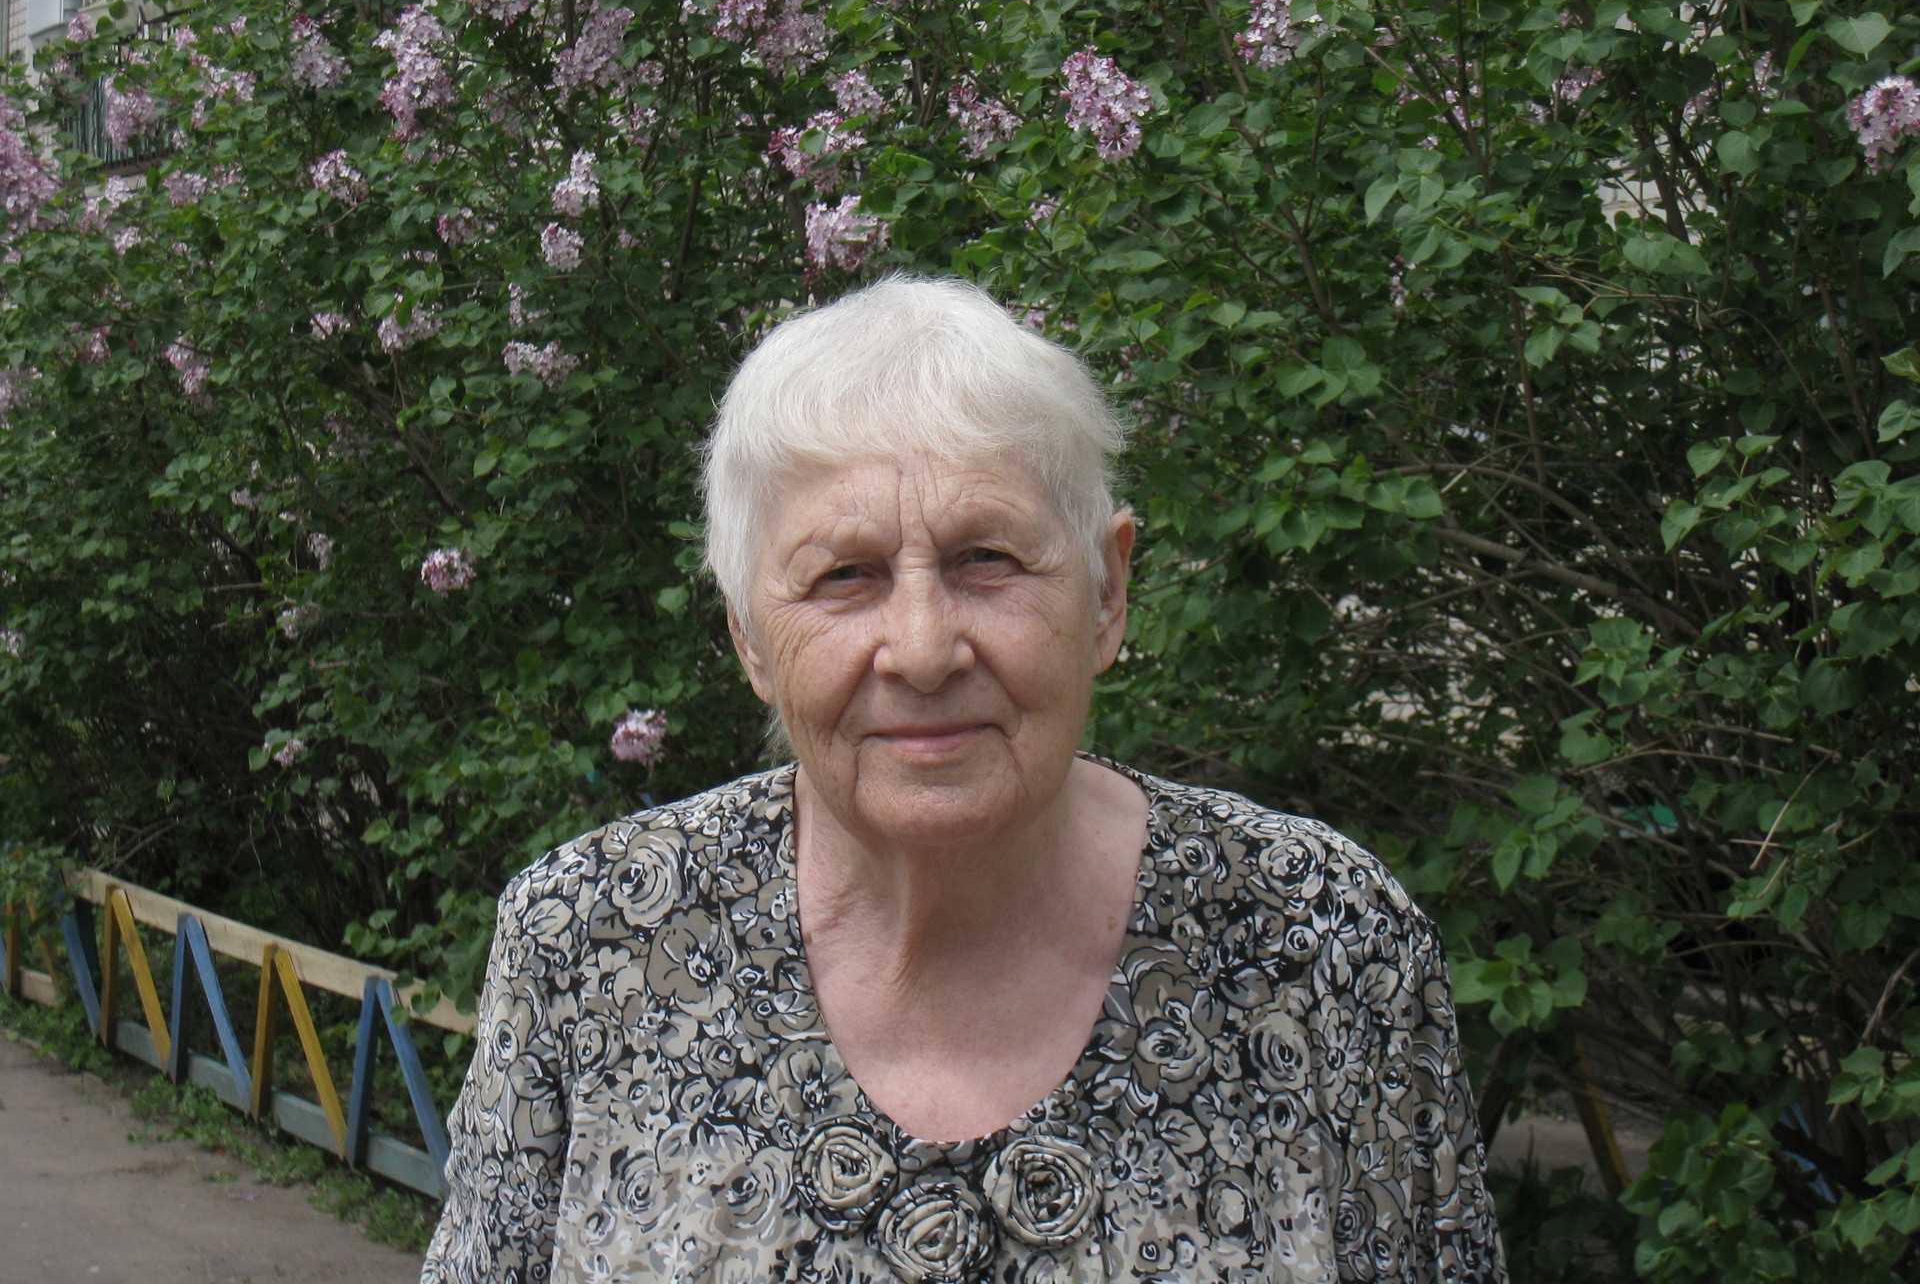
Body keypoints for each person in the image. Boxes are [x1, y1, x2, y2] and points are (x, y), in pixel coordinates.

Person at [421, 276, 1506, 1283]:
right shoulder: (588, 942)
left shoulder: (1324, 943)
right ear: (750, 636)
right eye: (845, 575)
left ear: (1107, 591)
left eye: (987, 559)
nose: (924, 649)